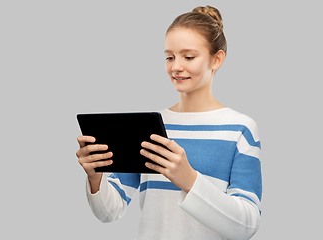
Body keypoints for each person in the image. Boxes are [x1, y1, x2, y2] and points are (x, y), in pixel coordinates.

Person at [76, 5, 262, 240]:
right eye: (169, 57)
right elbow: (109, 211)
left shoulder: (240, 129)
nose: (176, 66)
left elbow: (246, 226)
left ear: (217, 59)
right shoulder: (148, 127)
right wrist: (95, 176)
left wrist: (189, 179)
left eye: (189, 56)